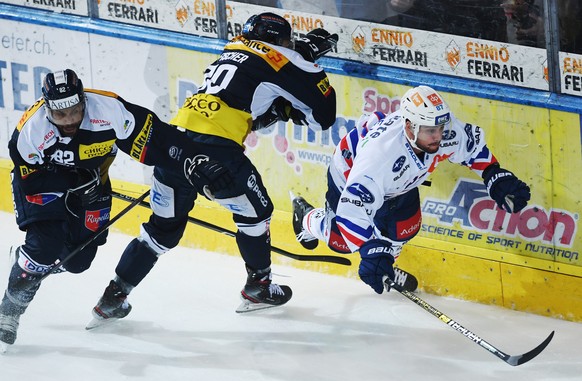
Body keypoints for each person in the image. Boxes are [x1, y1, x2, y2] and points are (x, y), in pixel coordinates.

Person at [88, 11, 338, 326]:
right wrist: (309, 64)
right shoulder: (283, 59)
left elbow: (251, 95)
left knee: (161, 231)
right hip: (216, 150)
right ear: (280, 41)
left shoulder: (233, 48)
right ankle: (258, 287)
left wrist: (292, 67)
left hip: (173, 145)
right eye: (288, 41)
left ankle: (113, 297)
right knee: (256, 214)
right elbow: (322, 117)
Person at [0, 69, 230, 348]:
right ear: (47, 109)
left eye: (74, 111)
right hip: (42, 184)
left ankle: (34, 264)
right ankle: (9, 311)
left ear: (83, 100)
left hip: (94, 187)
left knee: (77, 263)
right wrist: (73, 182)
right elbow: (30, 181)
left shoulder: (110, 111)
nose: (69, 121)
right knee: (44, 245)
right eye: (60, 115)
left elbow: (160, 140)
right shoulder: (31, 131)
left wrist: (196, 161)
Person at [292, 85, 530, 294]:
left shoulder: (435, 128)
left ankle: (388, 268)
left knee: (404, 228)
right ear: (409, 127)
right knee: (340, 242)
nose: (439, 136)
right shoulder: (380, 158)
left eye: (440, 128)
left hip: (399, 183)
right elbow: (352, 210)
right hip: (349, 176)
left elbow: (470, 146)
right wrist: (370, 251)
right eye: (430, 131)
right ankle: (307, 219)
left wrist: (493, 175)